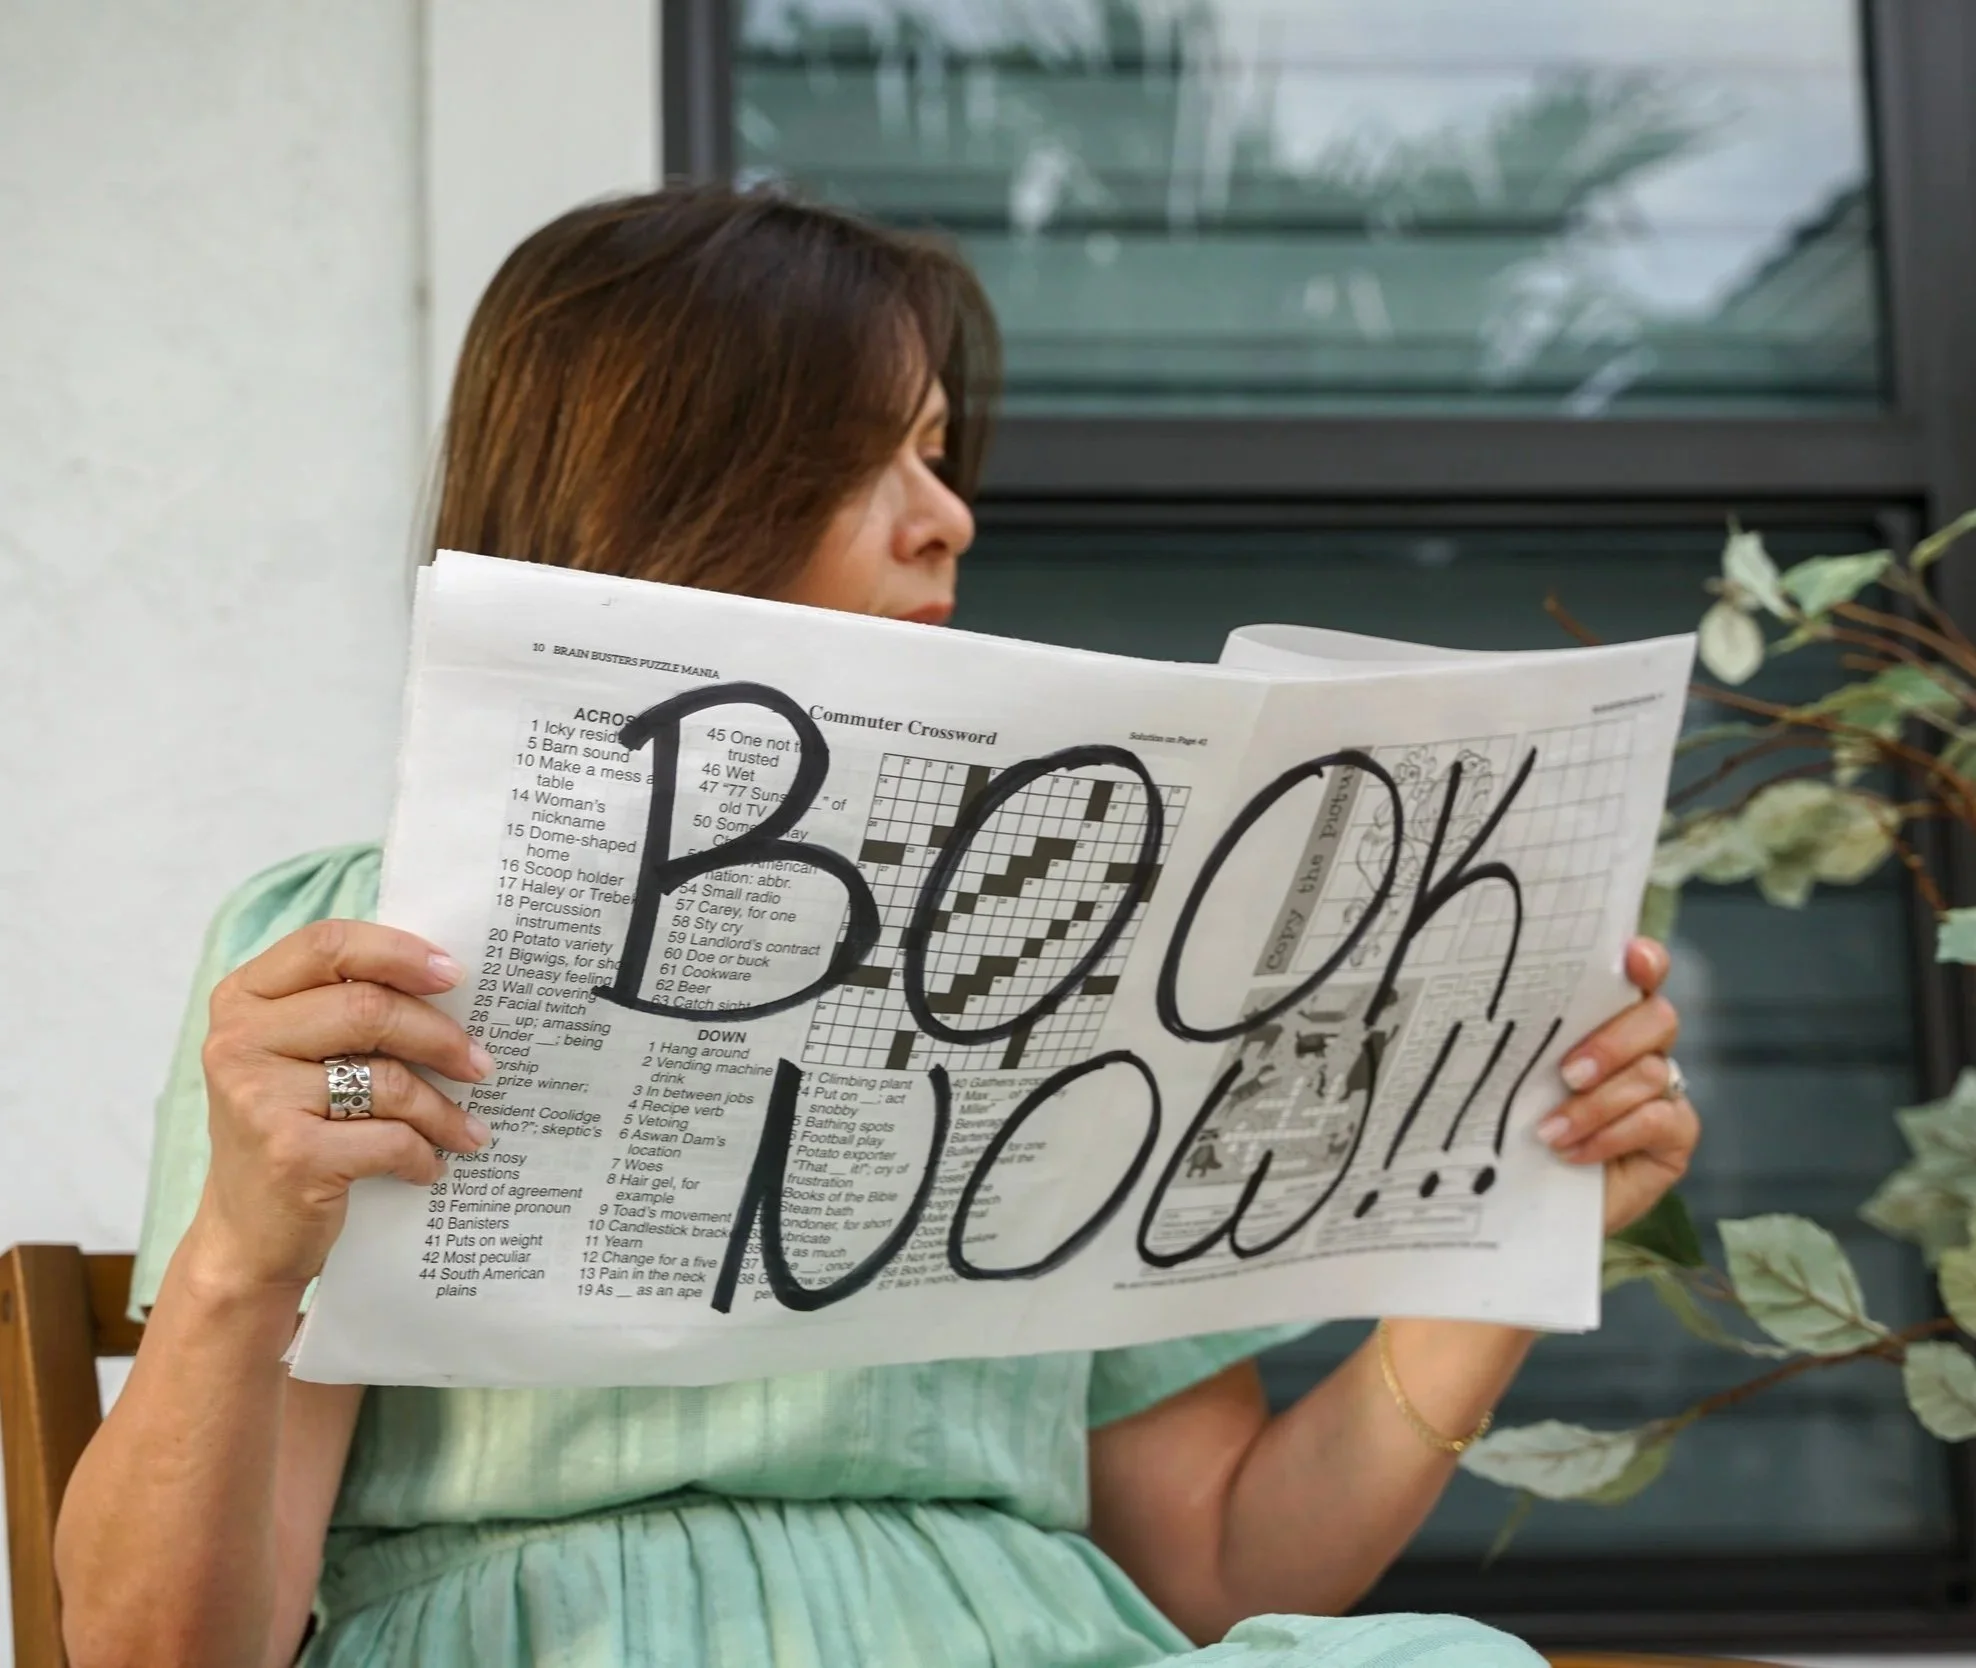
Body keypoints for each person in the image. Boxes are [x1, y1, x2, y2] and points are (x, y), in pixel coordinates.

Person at [54, 186, 1700, 1668]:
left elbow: (1212, 1568)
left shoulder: (1092, 931)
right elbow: (160, 1657)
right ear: (675, 475)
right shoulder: (358, 949)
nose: (949, 516)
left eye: (940, 450)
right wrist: (241, 1264)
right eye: (876, 453)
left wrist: (1507, 1229)